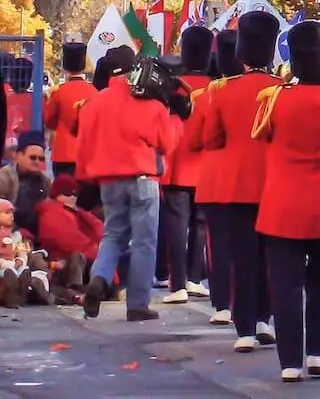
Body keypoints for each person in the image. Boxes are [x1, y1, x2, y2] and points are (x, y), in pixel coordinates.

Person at [254, 20, 320, 383]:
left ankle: (290, 361)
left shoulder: (274, 98)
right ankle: (317, 353)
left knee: (286, 284)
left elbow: (263, 139)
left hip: (282, 205)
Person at [77, 45, 185, 321]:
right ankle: (137, 304)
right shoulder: (149, 101)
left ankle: (99, 278)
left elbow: (84, 145)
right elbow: (167, 143)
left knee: (112, 235)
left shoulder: (94, 103)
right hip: (142, 177)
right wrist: (176, 119)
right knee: (144, 242)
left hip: (108, 179)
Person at [202, 12, 283, 351]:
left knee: (243, 256)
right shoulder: (281, 90)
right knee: (272, 255)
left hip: (237, 184)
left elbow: (210, 137)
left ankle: (245, 327)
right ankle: (265, 317)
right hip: (275, 183)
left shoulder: (222, 91)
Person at [158, 26, 214, 304]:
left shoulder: (171, 85)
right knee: (201, 224)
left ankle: (177, 281)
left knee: (177, 225)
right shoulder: (215, 87)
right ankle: (194, 278)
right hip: (203, 165)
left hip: (174, 161)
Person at [189, 28, 240, 325]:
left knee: (219, 244)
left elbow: (196, 140)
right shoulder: (269, 91)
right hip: (253, 181)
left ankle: (223, 304)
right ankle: (257, 310)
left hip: (217, 180)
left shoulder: (209, 95)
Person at [44, 41, 95, 176]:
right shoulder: (94, 91)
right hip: (88, 153)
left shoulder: (58, 92)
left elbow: (49, 121)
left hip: (63, 153)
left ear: (65, 66)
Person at [0, 131, 51, 235]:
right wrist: (17, 233)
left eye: (40, 159)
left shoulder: (45, 181)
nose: (37, 162)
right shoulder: (4, 177)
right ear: (18, 156)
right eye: (32, 157)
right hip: (9, 233)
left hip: (38, 235)